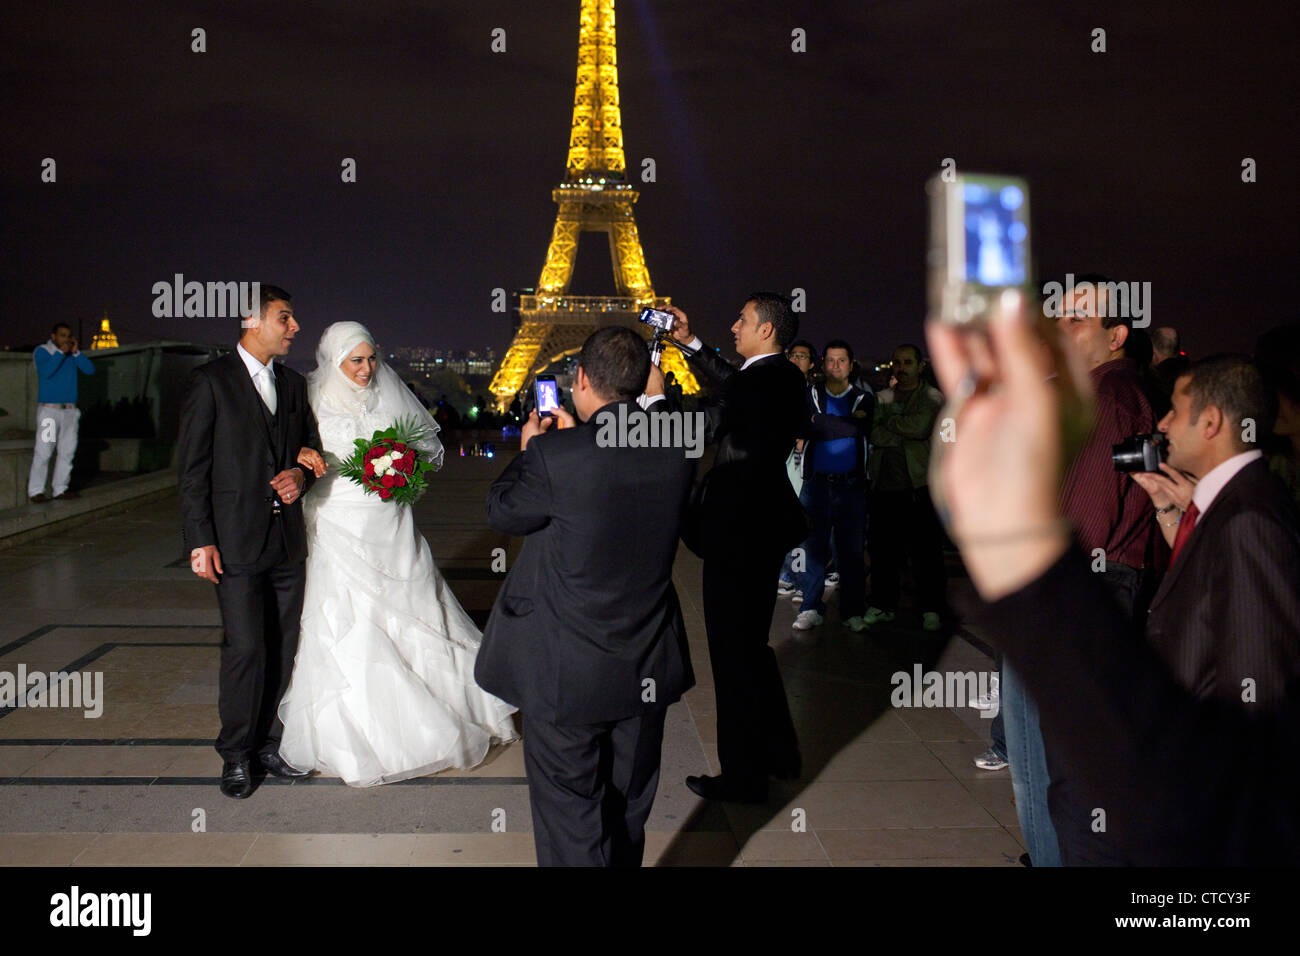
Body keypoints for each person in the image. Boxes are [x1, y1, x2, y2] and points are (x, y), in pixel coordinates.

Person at [927, 292, 1299, 865]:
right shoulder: (1223, 502)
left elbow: (1256, 699)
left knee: (1059, 778)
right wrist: (1175, 515)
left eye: (1174, 411)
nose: (1162, 423)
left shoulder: (1244, 509)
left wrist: (1018, 550)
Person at [475, 327, 695, 866]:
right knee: (628, 806)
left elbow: (503, 511)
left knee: (570, 814)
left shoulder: (555, 456)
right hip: (646, 661)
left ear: (581, 379)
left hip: (565, 668)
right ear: (643, 380)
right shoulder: (678, 449)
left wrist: (533, 451)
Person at [275, 322, 518, 787]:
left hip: (389, 522)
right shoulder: (307, 400)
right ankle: (370, 734)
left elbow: (420, 450)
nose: (366, 369)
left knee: (413, 612)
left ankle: (432, 720)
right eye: (356, 361)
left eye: (370, 358)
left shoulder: (388, 394)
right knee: (349, 622)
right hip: (338, 522)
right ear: (333, 361)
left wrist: (401, 471)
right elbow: (298, 457)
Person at [177, 285, 324, 799]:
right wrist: (200, 540)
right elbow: (191, 469)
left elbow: (311, 450)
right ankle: (235, 754)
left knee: (283, 647)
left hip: (286, 542)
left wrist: (300, 477)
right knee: (245, 647)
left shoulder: (292, 383)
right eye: (285, 318)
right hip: (235, 542)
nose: (294, 328)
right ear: (251, 319)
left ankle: (268, 745)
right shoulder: (210, 382)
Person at [667, 294, 807, 803]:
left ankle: (744, 778)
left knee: (733, 657)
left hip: (738, 533)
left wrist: (654, 403)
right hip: (760, 529)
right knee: (750, 649)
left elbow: (704, 421)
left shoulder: (764, 381)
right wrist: (690, 344)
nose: (733, 325)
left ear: (767, 330)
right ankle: (775, 754)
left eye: (742, 319)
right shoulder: (779, 377)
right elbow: (735, 385)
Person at [1129, 354, 1300, 711]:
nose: (1162, 424)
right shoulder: (1232, 504)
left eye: (1174, 411)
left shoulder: (1248, 518)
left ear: (1210, 422)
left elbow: (1258, 675)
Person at [793, 339, 874, 631]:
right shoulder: (811, 393)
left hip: (850, 486)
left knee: (851, 551)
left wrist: (821, 423)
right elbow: (804, 425)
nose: (836, 366)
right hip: (816, 484)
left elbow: (860, 428)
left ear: (851, 366)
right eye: (830, 360)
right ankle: (810, 606)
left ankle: (852, 609)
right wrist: (842, 426)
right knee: (812, 548)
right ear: (822, 364)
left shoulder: (864, 397)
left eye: (842, 361)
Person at [865, 344, 946, 631]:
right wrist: (898, 431)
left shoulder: (932, 397)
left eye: (908, 362)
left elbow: (920, 428)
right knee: (883, 552)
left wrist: (890, 424)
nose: (902, 367)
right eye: (897, 362)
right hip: (883, 486)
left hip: (918, 486)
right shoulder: (883, 396)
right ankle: (883, 605)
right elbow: (872, 432)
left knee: (925, 552)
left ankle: (932, 608)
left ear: (920, 366)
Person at [28, 322, 95, 503]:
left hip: (70, 413)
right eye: (62, 335)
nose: (66, 339)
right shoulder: (43, 351)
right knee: (44, 450)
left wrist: (76, 352)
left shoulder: (72, 356)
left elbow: (90, 369)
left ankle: (60, 489)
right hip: (50, 412)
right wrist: (60, 353)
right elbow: (46, 372)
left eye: (68, 336)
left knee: (67, 452)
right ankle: (36, 491)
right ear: (53, 336)